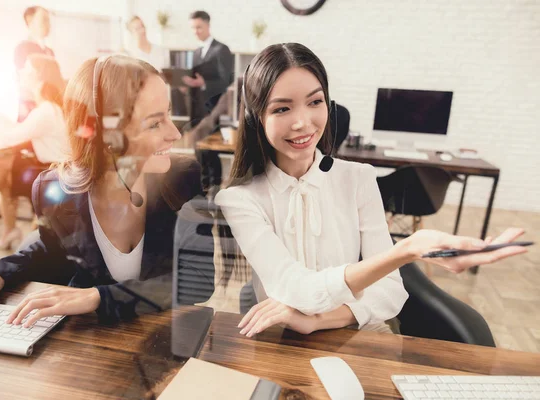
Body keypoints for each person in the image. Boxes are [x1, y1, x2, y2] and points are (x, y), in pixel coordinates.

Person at [215, 43, 528, 337]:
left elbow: (391, 292)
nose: (303, 122)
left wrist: (318, 321)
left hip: (361, 335)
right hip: (281, 339)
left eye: (315, 102)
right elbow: (296, 290)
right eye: (282, 109)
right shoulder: (239, 200)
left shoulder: (359, 178)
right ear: (257, 117)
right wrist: (406, 249)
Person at [0, 55, 204, 326]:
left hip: (164, 336)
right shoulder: (54, 189)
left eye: (169, 115)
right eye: (154, 123)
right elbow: (51, 250)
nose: (175, 133)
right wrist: (0, 273)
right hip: (91, 344)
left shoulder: (184, 179)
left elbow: (198, 280)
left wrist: (101, 298)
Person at [0, 54, 69, 250]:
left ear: (39, 75)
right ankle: (5, 228)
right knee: (3, 168)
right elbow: (15, 132)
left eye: (27, 69)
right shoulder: (51, 108)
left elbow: (10, 136)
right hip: (57, 169)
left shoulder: (46, 111)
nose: (21, 73)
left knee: (1, 165)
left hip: (56, 175)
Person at [183, 11, 234, 121]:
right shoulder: (196, 52)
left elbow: (226, 81)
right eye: (192, 28)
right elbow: (194, 79)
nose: (195, 32)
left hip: (214, 109)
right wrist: (186, 86)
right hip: (196, 110)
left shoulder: (221, 49)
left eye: (198, 27)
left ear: (208, 26)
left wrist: (204, 83)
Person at [14, 6, 56, 122]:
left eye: (49, 21)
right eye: (44, 20)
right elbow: (27, 81)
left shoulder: (49, 51)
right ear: (29, 21)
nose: (49, 25)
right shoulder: (22, 48)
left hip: (48, 109)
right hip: (30, 111)